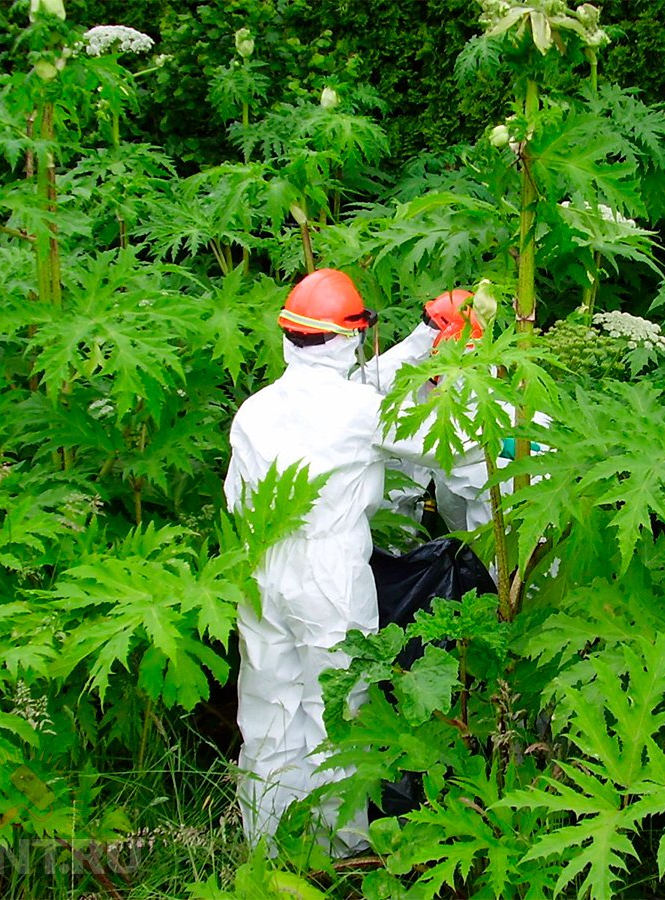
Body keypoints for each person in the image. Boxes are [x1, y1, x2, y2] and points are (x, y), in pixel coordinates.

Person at [223, 268, 453, 855]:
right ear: (350, 337)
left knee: (270, 710)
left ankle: (265, 851)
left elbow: (233, 497)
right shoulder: (358, 410)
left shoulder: (254, 409)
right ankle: (335, 855)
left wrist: (426, 334)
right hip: (329, 573)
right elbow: (440, 442)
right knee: (340, 717)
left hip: (259, 568)